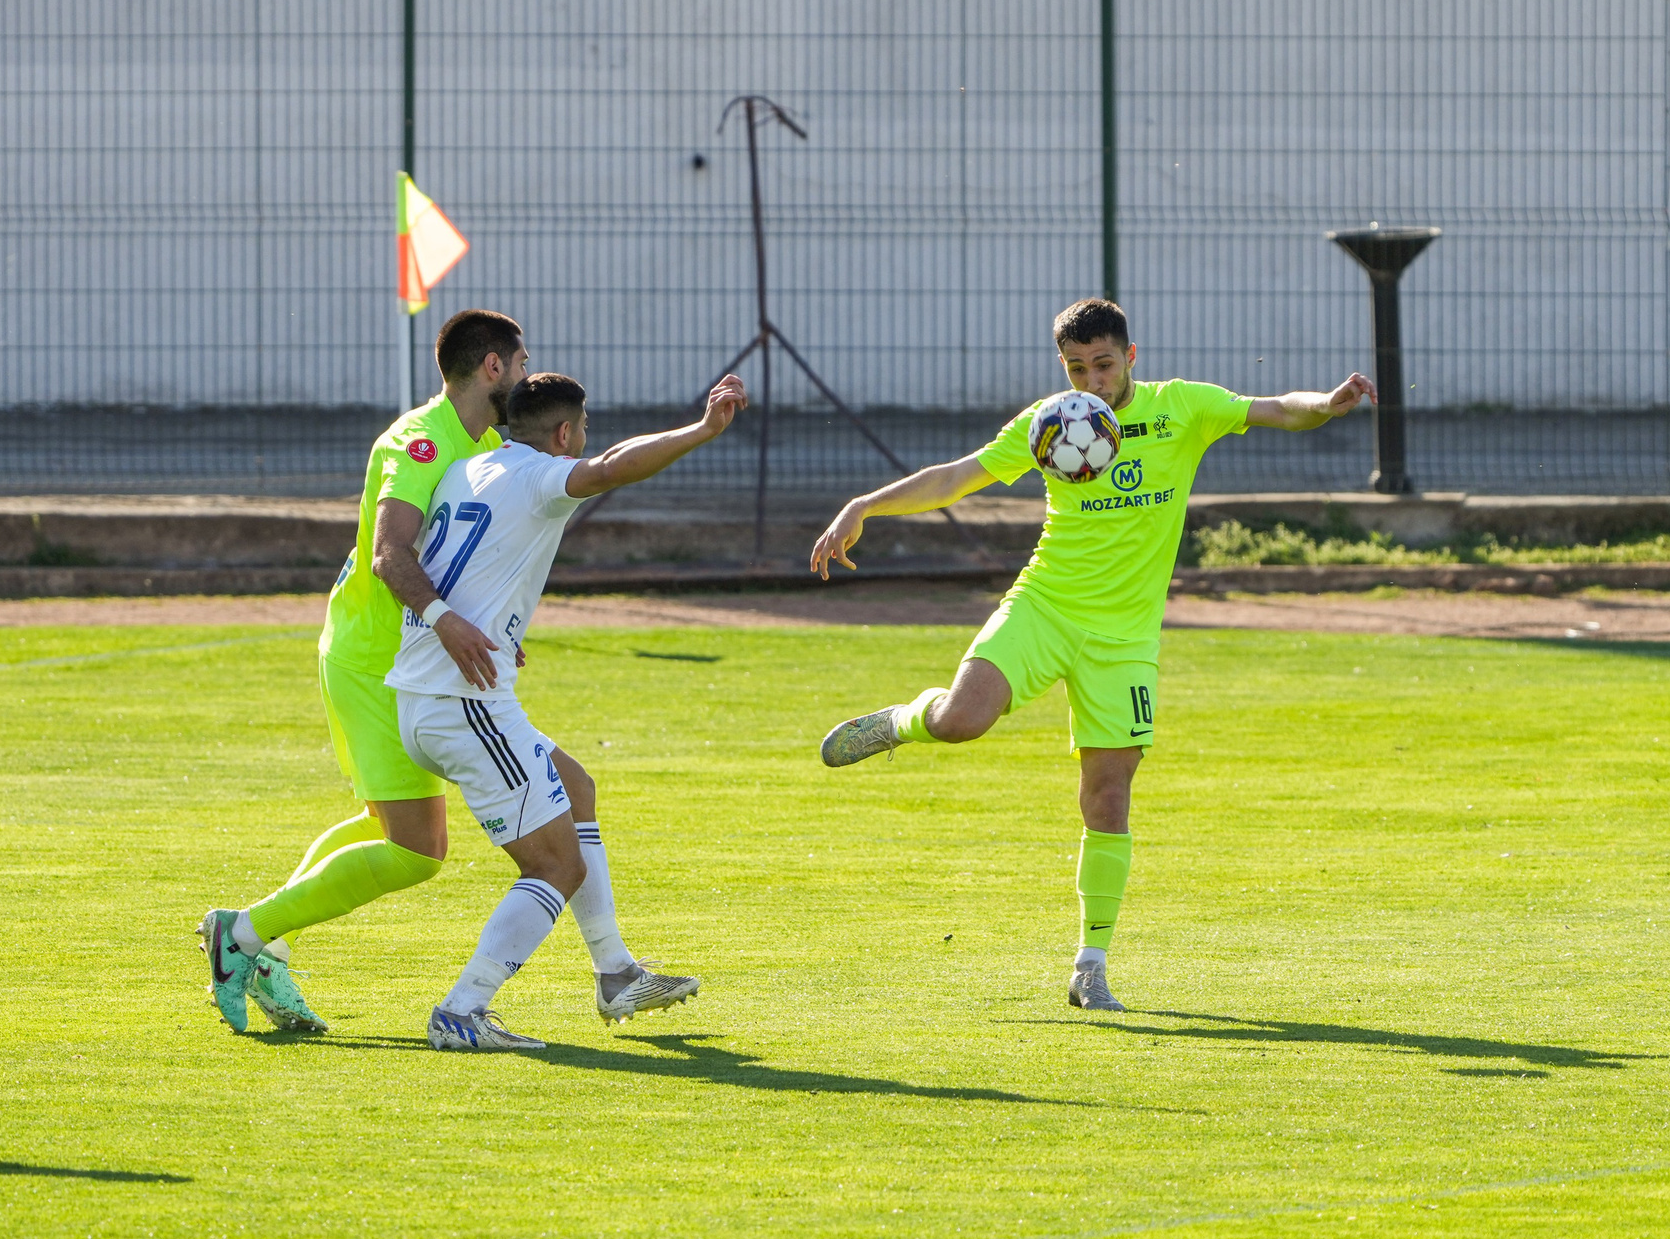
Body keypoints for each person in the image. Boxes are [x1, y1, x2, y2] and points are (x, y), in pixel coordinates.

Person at [809, 298, 1373, 1013]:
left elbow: (1278, 410)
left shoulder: (1182, 409)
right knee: (960, 721)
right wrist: (863, 504)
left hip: (1125, 639)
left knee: (1108, 796)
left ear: (1130, 357)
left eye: (1103, 364)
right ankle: (903, 721)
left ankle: (1091, 961)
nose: (1091, 379)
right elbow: (959, 476)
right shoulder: (1051, 422)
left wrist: (1327, 401)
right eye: (1076, 367)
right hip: (1045, 605)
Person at [197, 308, 529, 1035]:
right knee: (419, 850)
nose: (529, 374)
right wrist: (449, 623)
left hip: (407, 662)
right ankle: (243, 933)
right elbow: (391, 555)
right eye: (522, 361)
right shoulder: (416, 441)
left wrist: (490, 626)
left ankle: (267, 947)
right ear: (493, 367)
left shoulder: (491, 446)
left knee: (392, 827)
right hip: (375, 660)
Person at [398, 370, 746, 1051]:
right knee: (557, 865)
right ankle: (463, 1008)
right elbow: (612, 468)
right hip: (464, 702)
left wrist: (499, 625)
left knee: (576, 787)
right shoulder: (538, 475)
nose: (586, 445)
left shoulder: (470, 470)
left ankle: (616, 972)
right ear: (564, 434)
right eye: (582, 433)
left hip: (431, 691)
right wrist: (703, 429)